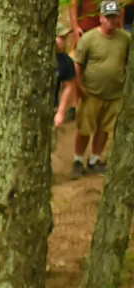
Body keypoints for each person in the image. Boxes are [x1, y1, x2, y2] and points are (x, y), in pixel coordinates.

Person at [75, 0, 130, 174]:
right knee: (84, 128)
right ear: (101, 17)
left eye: (114, 17)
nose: (111, 21)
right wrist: (79, 87)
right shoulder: (89, 38)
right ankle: (77, 160)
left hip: (114, 94)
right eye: (107, 17)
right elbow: (77, 64)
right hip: (91, 92)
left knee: (104, 129)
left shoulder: (126, 39)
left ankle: (94, 159)